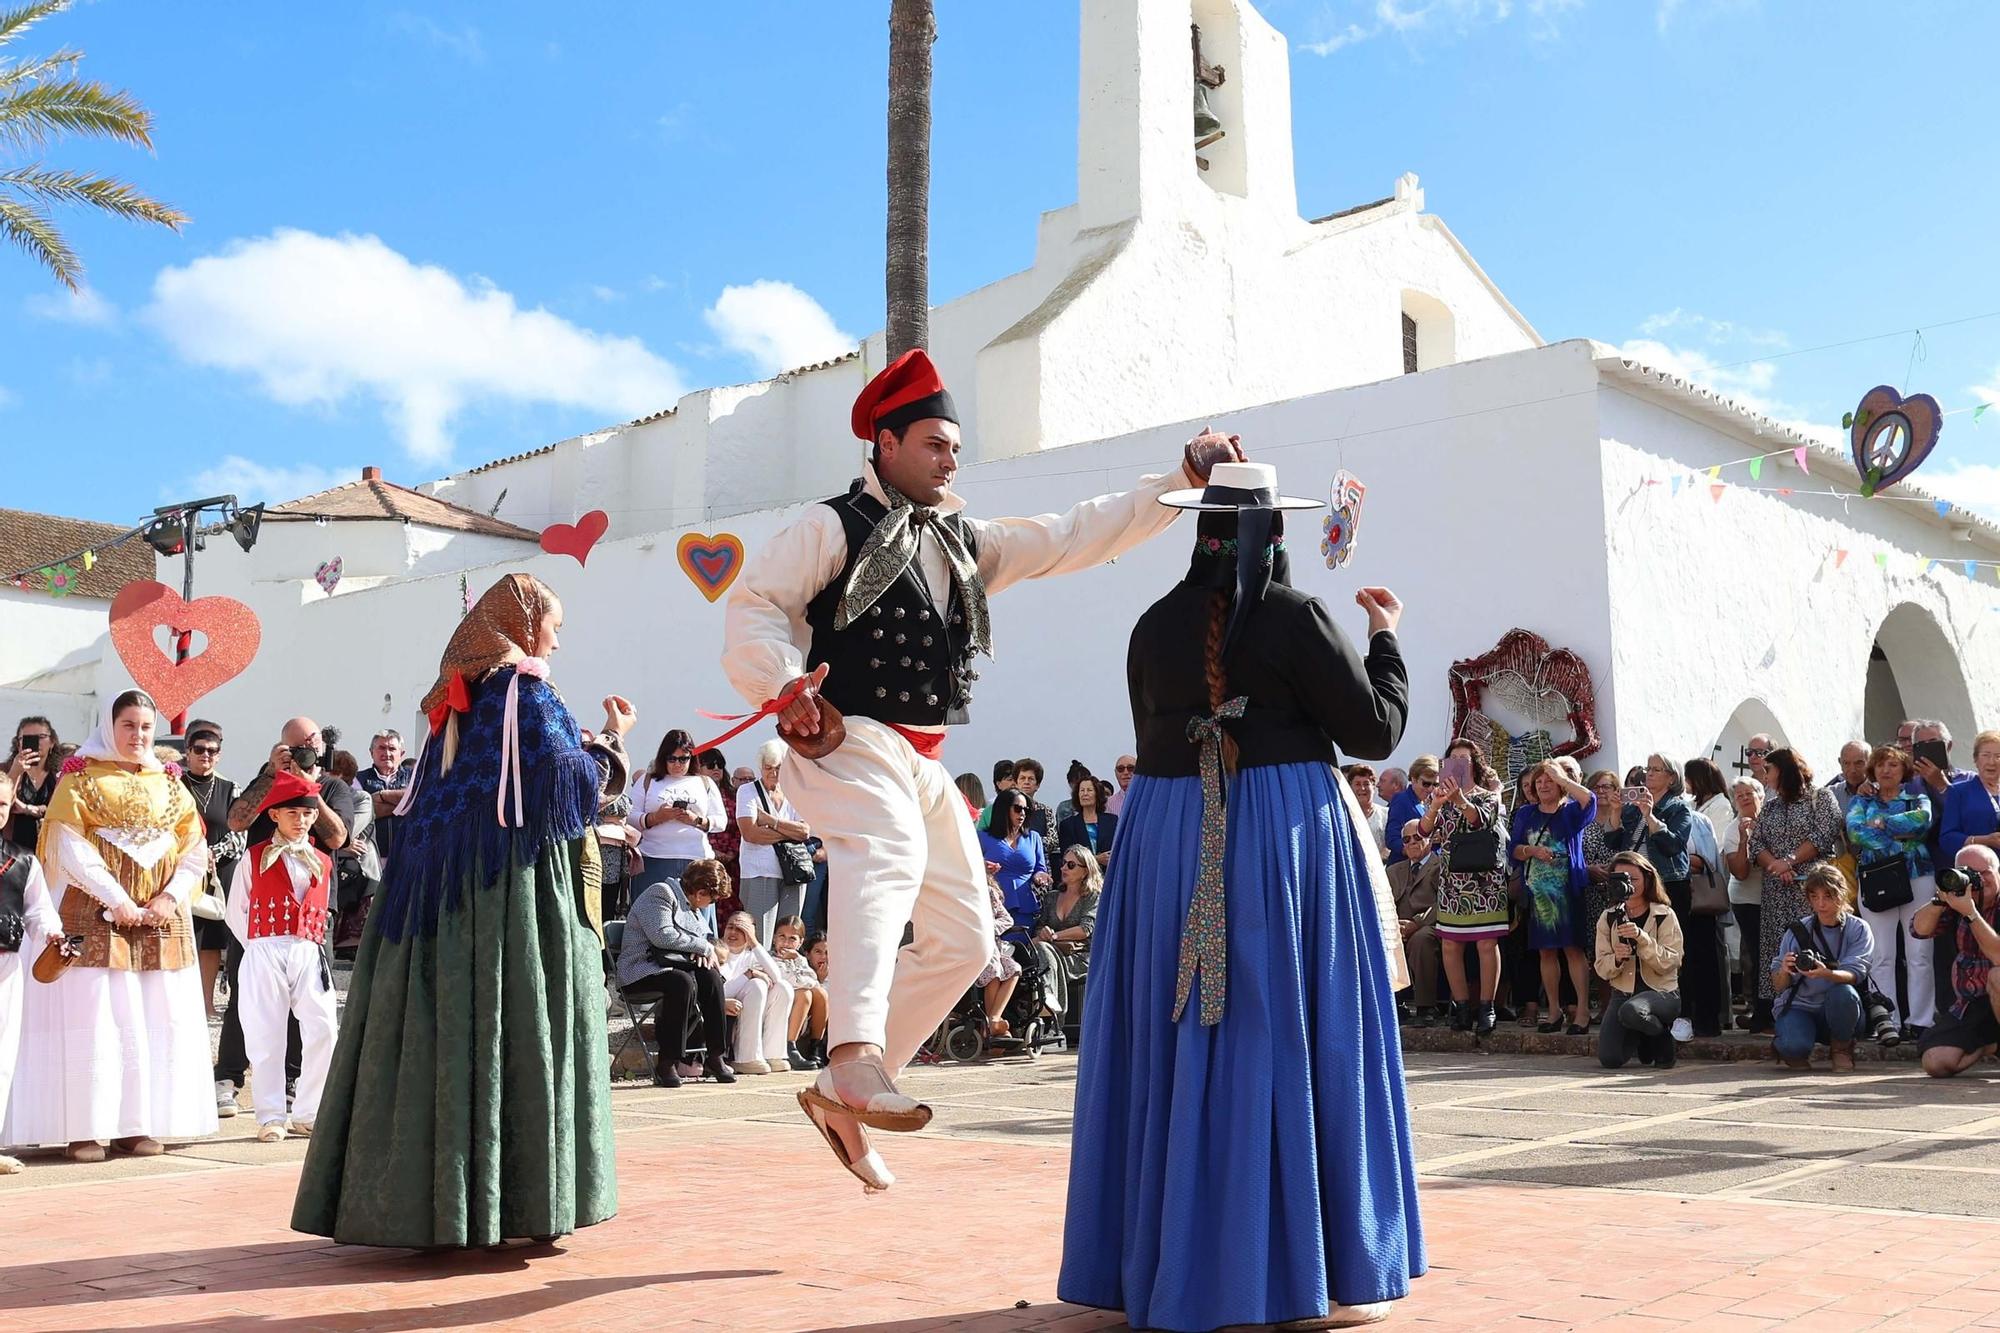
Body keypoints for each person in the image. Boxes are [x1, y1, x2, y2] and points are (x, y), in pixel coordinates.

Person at [723, 349, 1234, 1193]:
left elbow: (1071, 533)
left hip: (923, 757)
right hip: (847, 736)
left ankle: (844, 1091)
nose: (950, 459)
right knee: (884, 847)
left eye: (956, 446)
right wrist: (785, 684)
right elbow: (754, 604)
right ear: (885, 444)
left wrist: (1179, 477)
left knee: (966, 939)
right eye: (934, 443)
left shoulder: (965, 543)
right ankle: (852, 1053)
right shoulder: (830, 526)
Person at [1061, 463, 1419, 1331]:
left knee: (1174, 1037)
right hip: (1275, 836)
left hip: (1167, 837)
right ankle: (1298, 1268)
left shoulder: (1152, 625)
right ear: (1275, 533)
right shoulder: (1298, 618)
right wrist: (1385, 636)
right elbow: (1375, 727)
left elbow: (1155, 726)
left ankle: (1174, 1262)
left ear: (1200, 531)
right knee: (1285, 1027)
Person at [293, 574, 626, 1247]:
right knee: (515, 1020)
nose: (557, 640)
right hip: (509, 893)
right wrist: (613, 740)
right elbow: (566, 783)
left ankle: (429, 1205)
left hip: (430, 900)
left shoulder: (455, 704)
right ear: (523, 624)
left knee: (439, 1029)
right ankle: (516, 1202)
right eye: (554, 625)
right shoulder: (525, 692)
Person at [5, 690, 214, 1162]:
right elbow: (69, 846)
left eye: (146, 727)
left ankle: (135, 1125)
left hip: (159, 921)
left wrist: (170, 898)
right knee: (95, 1017)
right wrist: (117, 899)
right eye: (128, 725)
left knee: (151, 1016)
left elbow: (193, 849)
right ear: (109, 725)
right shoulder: (79, 779)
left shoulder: (171, 783)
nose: (138, 735)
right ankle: (84, 1129)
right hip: (94, 915)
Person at [226, 772, 339, 1143]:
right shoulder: (254, 856)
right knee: (266, 1033)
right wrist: (259, 945)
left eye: (307, 814)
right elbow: (236, 910)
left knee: (324, 1028)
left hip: (308, 948)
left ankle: (308, 1111)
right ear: (274, 815)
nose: (301, 820)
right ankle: (271, 1115)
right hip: (265, 946)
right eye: (293, 813)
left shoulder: (321, 859)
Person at [1750, 748, 1846, 1034]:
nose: (1765, 776)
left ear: (1784, 769)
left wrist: (1790, 860)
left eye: (1769, 769)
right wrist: (1777, 865)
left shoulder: (1820, 798)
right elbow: (1756, 843)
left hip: (1811, 888)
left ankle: (1822, 1006)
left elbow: (1824, 834)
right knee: (1778, 948)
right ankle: (1778, 1010)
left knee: (1814, 942)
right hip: (1777, 889)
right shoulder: (1770, 806)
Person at [1844, 744, 1935, 1040]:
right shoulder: (1862, 800)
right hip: (1876, 878)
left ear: (1903, 770)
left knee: (1919, 953)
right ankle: (1887, 1021)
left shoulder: (1917, 798)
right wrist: (1899, 834)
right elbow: (1855, 831)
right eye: (1881, 764)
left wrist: (1881, 823)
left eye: (1893, 765)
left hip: (1917, 876)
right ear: (1873, 769)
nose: (1886, 770)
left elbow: (1922, 822)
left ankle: (1921, 1021)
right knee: (1881, 954)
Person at [1623, 753, 1717, 1038]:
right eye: (1648, 768)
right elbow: (1617, 841)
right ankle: (1643, 1011)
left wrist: (1650, 816)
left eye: (1656, 769)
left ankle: (1683, 1013)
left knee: (1673, 950)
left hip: (1669, 885)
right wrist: (1616, 813)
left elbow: (1673, 846)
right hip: (1637, 886)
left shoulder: (1678, 809)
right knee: (1640, 947)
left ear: (1671, 777)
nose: (1649, 774)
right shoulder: (1633, 808)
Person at [617, 859, 734, 1088]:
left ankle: (715, 1055)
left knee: (710, 976)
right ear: (700, 893)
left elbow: (697, 941)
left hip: (673, 967)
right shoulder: (661, 893)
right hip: (640, 969)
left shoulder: (692, 906)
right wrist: (702, 947)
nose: (711, 904)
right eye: (712, 899)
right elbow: (662, 936)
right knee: (681, 982)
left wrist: (701, 952)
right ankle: (667, 1061)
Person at [0, 770, 62, 1173]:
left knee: (2, 1055)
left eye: (3, 804)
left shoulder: (22, 860)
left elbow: (40, 912)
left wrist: (55, 936)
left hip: (6, 964)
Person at [1510, 760, 1596, 1035]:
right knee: (1546, 952)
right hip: (1539, 895)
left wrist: (1564, 778)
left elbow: (1590, 801)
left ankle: (1582, 1011)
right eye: (1539, 781)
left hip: (1568, 892)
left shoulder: (1570, 811)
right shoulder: (1526, 813)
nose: (1543, 785)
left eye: (1549, 780)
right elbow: (1514, 849)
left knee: (1573, 950)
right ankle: (1554, 1011)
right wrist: (1532, 851)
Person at [1427, 749, 1508, 1035]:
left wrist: (1460, 799)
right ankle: (1461, 1007)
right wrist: (1436, 805)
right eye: (1454, 758)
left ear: (1475, 763)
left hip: (1485, 882)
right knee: (1450, 945)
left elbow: (1481, 821)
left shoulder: (1489, 795)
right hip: (1452, 882)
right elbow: (1424, 831)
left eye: (1465, 758)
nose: (1459, 763)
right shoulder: (1440, 796)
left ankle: (1487, 1007)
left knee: (1486, 943)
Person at [1771, 864, 1873, 1072]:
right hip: (1801, 1005)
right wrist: (1784, 970)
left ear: (1841, 895)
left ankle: (1842, 1048)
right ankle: (1791, 1047)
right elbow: (1779, 986)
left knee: (1843, 992)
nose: (1821, 903)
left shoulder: (1858, 928)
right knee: (1793, 1047)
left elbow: (1855, 974)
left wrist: (1826, 973)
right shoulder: (1797, 930)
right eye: (1814, 897)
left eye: (1828, 896)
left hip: (1840, 1008)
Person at [1913, 845, 2000, 1077]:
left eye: (1985, 872)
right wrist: (1940, 900)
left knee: (1998, 976)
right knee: (1935, 1062)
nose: (1980, 879)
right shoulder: (1959, 902)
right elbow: (1919, 929)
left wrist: (1971, 914)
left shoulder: (1969, 908)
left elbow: (1998, 956)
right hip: (1973, 1002)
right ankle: (1991, 1045)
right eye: (1970, 873)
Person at [628, 728, 729, 929]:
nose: (677, 764)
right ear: (663, 758)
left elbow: (721, 821)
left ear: (692, 758)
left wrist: (696, 820)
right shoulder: (648, 780)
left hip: (696, 859)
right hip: (655, 858)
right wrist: (655, 818)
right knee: (653, 919)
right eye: (672, 759)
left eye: (684, 759)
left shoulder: (704, 782)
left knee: (697, 922)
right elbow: (630, 816)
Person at [1594, 852, 1685, 1070]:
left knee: (1632, 1011)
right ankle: (1644, 1035)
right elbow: (1601, 968)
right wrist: (1616, 959)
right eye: (1619, 880)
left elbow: (1672, 961)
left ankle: (1662, 1036)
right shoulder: (1608, 917)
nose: (1627, 885)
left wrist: (1642, 939)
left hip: (1661, 992)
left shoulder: (1664, 914)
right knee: (1610, 1059)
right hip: (1623, 992)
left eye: (1633, 879)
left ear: (1647, 879)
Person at [179, 721, 241, 1026]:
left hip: (218, 871)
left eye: (212, 751)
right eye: (200, 749)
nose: (206, 755)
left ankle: (206, 1002)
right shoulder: (174, 784)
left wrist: (212, 854)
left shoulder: (230, 788)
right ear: (188, 752)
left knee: (212, 941)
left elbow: (239, 831)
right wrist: (193, 855)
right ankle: (180, 1003)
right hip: (181, 868)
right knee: (183, 935)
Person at [736, 739, 811, 942]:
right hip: (760, 871)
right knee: (761, 937)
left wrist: (771, 822)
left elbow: (805, 832)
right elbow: (750, 834)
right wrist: (790, 833)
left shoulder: (794, 792)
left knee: (789, 935)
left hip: (794, 873)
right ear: (761, 767)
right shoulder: (747, 791)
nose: (773, 773)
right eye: (768, 768)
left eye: (778, 768)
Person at [1721, 777, 1772, 1033]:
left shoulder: (1773, 819)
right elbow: (1740, 873)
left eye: (1748, 793)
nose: (1743, 798)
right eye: (1738, 795)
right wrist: (1744, 840)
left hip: (1776, 895)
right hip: (1747, 900)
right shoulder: (1732, 830)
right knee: (1756, 953)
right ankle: (1759, 1012)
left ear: (1761, 796)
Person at [1031, 844, 1100, 1029]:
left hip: (1079, 956)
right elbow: (1039, 927)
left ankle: (1048, 1004)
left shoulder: (1092, 897)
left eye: (1071, 865)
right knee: (1041, 950)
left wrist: (1053, 936)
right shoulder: (1052, 897)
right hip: (1052, 953)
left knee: (1044, 949)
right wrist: (1043, 932)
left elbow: (1085, 929)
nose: (1063, 868)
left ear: (1085, 871)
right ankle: (1047, 1004)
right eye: (1063, 863)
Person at [718, 911, 794, 1075]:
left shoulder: (752, 955)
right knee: (757, 985)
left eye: (741, 929)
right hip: (723, 1008)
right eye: (730, 927)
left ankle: (772, 1054)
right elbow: (719, 992)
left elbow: (777, 977)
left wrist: (753, 942)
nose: (733, 932)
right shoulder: (717, 950)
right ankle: (746, 1058)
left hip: (742, 1010)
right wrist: (749, 974)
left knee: (783, 988)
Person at [1389, 817, 1444, 1025]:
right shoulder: (1393, 870)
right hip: (1396, 926)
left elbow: (1443, 902)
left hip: (1429, 925)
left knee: (1421, 940)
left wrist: (1416, 923)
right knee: (1380, 939)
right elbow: (1382, 902)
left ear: (1430, 839)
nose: (1412, 842)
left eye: (1417, 837)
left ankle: (1425, 1007)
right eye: (1406, 839)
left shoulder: (1441, 866)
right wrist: (1394, 925)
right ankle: (1391, 1004)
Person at [979, 789, 1050, 932]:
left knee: (1023, 944)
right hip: (993, 906)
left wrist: (1040, 875)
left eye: (1026, 810)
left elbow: (1040, 868)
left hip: (1025, 906)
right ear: (1003, 809)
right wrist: (982, 867)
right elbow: (966, 867)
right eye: (1017, 808)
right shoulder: (982, 837)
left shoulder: (1033, 838)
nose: (1022, 813)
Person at [972, 870, 1024, 1044]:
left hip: (994, 944)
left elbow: (1007, 919)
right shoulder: (962, 893)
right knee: (993, 968)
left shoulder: (989, 892)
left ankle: (993, 1019)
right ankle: (993, 1025)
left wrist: (990, 927)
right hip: (973, 945)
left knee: (1014, 968)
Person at [770, 914, 827, 1068]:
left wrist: (799, 959)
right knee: (804, 994)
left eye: (792, 939)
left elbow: (813, 981)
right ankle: (790, 1047)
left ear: (800, 942)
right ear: (774, 938)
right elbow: (795, 982)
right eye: (782, 937)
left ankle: (815, 1048)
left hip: (799, 1012)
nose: (786, 943)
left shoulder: (800, 960)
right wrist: (799, 963)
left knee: (820, 993)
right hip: (777, 1008)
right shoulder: (769, 958)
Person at [353, 729, 414, 868]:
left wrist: (381, 795)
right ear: (371, 752)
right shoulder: (358, 779)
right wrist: (404, 805)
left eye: (392, 749)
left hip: (408, 856)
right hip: (372, 858)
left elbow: (418, 800)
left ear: (401, 753)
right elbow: (359, 812)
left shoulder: (414, 777)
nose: (386, 753)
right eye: (381, 748)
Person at [4, 717, 58, 853]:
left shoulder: (59, 775)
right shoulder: (4, 770)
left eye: (41, 736)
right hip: (10, 851)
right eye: (27, 738)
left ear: (52, 742)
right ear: (18, 744)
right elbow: (2, 800)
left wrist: (32, 809)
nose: (36, 742)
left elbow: (65, 809)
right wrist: (15, 772)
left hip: (48, 850)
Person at [1056, 774, 1117, 870]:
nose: (1085, 794)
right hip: (1081, 875)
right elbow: (1067, 857)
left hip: (1108, 874)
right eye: (1082, 790)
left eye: (1089, 790)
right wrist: (1096, 859)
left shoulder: (1112, 821)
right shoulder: (1068, 825)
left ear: (1097, 794)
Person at [1383, 755, 1436, 866]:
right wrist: (1413, 850)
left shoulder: (1432, 802)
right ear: (1414, 779)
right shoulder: (1402, 800)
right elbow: (1392, 839)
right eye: (1426, 784)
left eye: (1435, 784)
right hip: (1405, 869)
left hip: (1429, 867)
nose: (1431, 789)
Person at [1346, 763, 1390, 860]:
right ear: (1350, 788)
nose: (1362, 788)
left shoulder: (1387, 814)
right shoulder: (1343, 816)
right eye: (1357, 784)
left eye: (1366, 784)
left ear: (1373, 787)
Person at [1014, 758, 1059, 848]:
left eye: (1031, 779)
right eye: (1022, 778)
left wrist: (1028, 840)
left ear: (1037, 785)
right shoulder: (1008, 809)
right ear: (1016, 783)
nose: (1026, 782)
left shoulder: (1045, 810)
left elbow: (1053, 841)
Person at [1828, 741, 1871, 814]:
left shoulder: (1881, 791)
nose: (1852, 770)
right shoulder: (1831, 795)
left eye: (1858, 763)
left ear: (1870, 762)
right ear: (1840, 763)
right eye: (1846, 763)